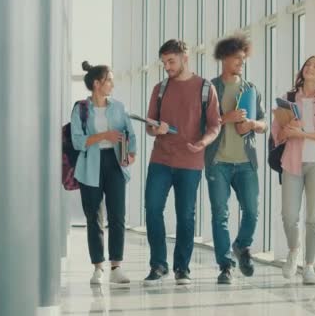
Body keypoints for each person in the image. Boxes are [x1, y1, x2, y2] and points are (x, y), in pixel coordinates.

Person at [143, 39, 221, 285]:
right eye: (164, 62)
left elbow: (214, 125)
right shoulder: (160, 88)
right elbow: (149, 125)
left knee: (185, 215)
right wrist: (157, 129)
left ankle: (182, 268)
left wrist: (204, 142)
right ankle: (158, 265)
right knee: (153, 210)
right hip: (161, 159)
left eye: (171, 61)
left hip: (190, 162)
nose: (167, 66)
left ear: (185, 57)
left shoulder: (205, 88)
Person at [205, 35, 268, 284]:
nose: (241, 62)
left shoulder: (251, 89)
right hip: (217, 162)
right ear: (223, 58)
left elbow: (264, 124)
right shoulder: (209, 89)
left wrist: (253, 124)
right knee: (220, 214)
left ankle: (242, 246)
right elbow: (201, 125)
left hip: (245, 163)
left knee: (252, 212)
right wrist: (224, 119)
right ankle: (225, 266)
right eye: (236, 58)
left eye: (244, 58)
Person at [271, 55, 315, 285]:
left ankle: (309, 267)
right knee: (289, 215)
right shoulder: (288, 98)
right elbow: (277, 136)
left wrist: (303, 134)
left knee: (313, 217)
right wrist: (287, 131)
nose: (310, 68)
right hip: (292, 161)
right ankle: (293, 250)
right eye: (307, 65)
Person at [71, 61, 137, 285]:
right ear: (97, 83)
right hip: (90, 163)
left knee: (117, 215)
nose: (112, 84)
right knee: (94, 217)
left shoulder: (118, 107)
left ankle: (116, 266)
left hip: (116, 163)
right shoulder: (80, 109)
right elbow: (78, 142)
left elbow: (130, 133)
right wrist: (104, 135)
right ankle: (98, 267)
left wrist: (132, 154)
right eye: (109, 80)